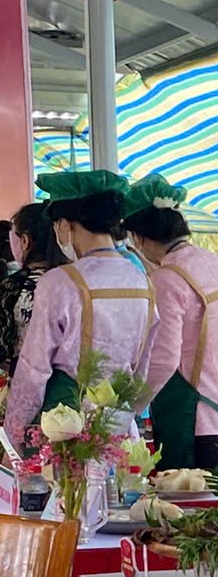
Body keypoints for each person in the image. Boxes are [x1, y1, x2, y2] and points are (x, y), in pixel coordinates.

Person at [4, 169, 154, 453]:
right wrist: (127, 412)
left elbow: (33, 370)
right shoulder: (142, 281)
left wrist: (14, 435)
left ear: (65, 224)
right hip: (120, 424)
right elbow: (145, 367)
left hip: (65, 423)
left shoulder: (60, 282)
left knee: (69, 496)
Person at [126, 173, 218, 470]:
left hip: (198, 419)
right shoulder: (213, 262)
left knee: (192, 510)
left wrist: (130, 405)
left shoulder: (167, 278)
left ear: (138, 237)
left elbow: (164, 358)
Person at [0, 203, 69, 380]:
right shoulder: (74, 281)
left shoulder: (11, 287)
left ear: (25, 241)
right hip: (69, 384)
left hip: (21, 380)